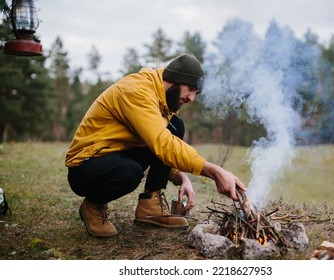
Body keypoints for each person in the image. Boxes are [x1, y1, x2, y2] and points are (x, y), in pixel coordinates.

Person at [65, 53, 246, 237]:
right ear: (176, 80)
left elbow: (158, 141)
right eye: (190, 89)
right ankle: (93, 205)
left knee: (175, 125)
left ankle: (150, 205)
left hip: (117, 152)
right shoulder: (136, 91)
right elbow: (162, 143)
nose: (192, 98)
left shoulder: (162, 99)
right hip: (86, 165)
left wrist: (180, 176)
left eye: (196, 93)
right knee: (129, 172)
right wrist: (214, 171)